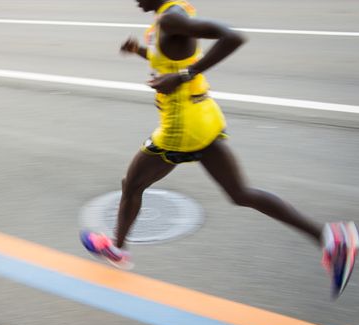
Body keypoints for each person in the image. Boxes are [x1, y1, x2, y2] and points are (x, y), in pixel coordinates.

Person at [80, 0, 358, 298]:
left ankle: (117, 249)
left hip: (181, 125)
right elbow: (172, 59)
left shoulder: (172, 18)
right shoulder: (172, 15)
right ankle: (331, 238)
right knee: (241, 194)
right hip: (204, 116)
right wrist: (141, 52)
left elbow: (232, 36)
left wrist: (183, 76)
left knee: (132, 184)